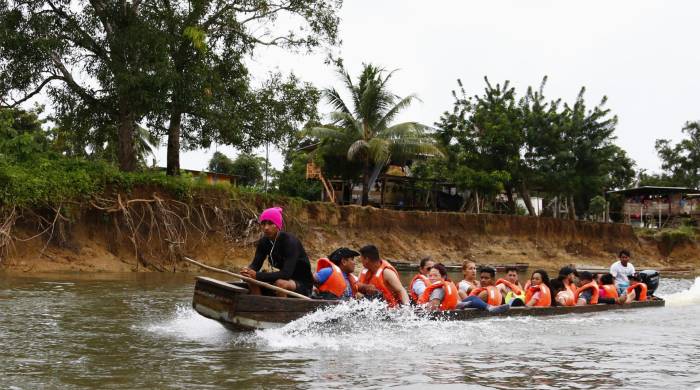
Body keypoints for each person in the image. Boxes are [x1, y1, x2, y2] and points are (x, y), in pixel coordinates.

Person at [240, 207, 313, 297]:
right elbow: (256, 264)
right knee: (250, 278)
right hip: (282, 278)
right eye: (263, 224)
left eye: (270, 223)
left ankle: (281, 309)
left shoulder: (290, 242)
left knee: (280, 283)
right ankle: (258, 302)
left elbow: (286, 274)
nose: (266, 228)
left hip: (302, 284)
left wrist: (257, 275)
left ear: (278, 225)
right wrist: (247, 270)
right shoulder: (264, 242)